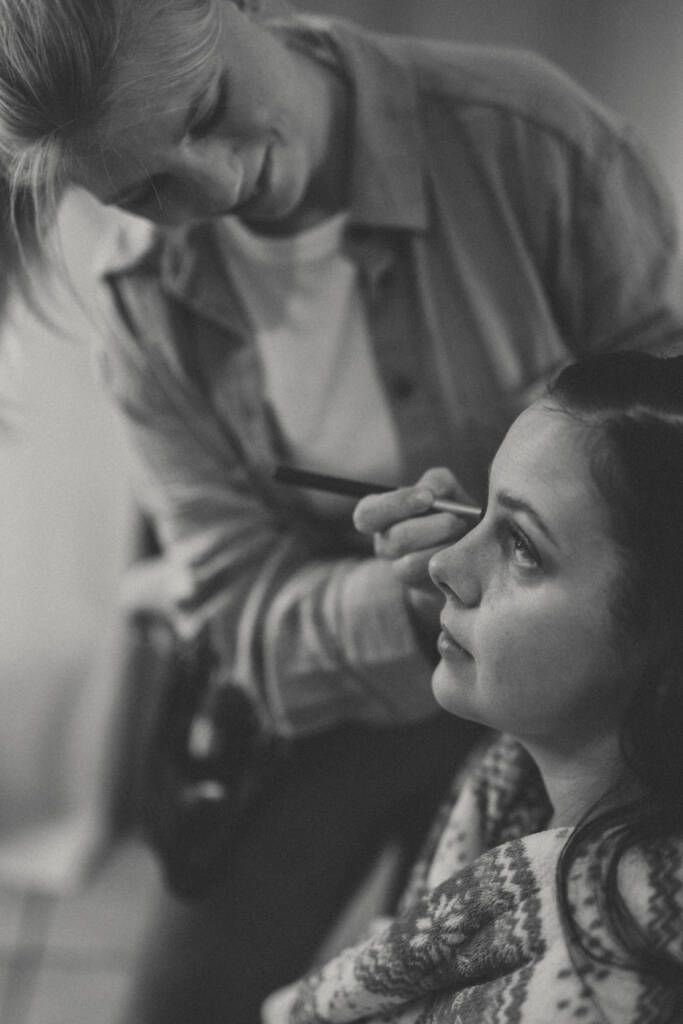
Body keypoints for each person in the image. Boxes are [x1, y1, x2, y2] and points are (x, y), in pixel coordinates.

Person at [1, 2, 683, 1021]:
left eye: (209, 107)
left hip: (563, 693)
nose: (220, 186)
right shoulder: (143, 309)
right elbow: (240, 608)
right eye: (146, 188)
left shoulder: (534, 146)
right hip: (320, 709)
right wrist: (411, 602)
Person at [263, 348, 683, 1024]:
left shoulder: (597, 996)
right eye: (479, 511)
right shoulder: (505, 784)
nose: (443, 566)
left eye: (521, 546)